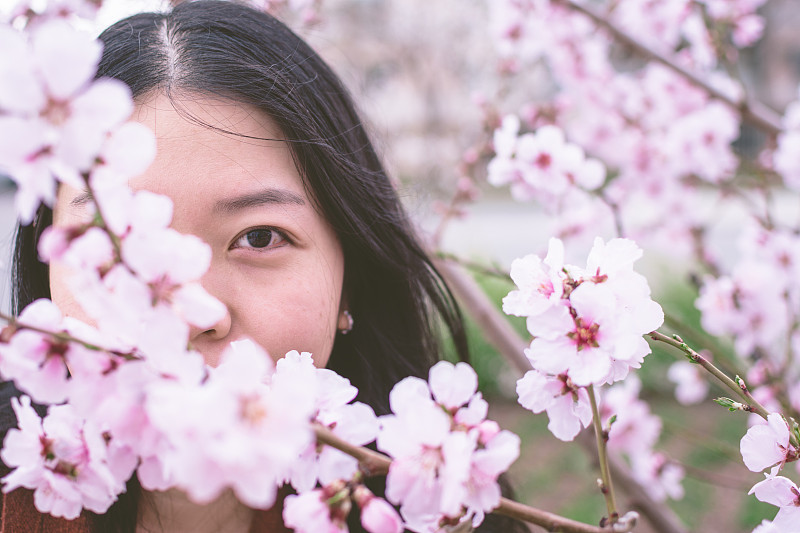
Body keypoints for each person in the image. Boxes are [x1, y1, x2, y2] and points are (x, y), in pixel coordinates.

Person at [3, 1, 527, 531]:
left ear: (350, 280)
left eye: (259, 237)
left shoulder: (446, 507)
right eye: (115, 247)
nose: (193, 314)